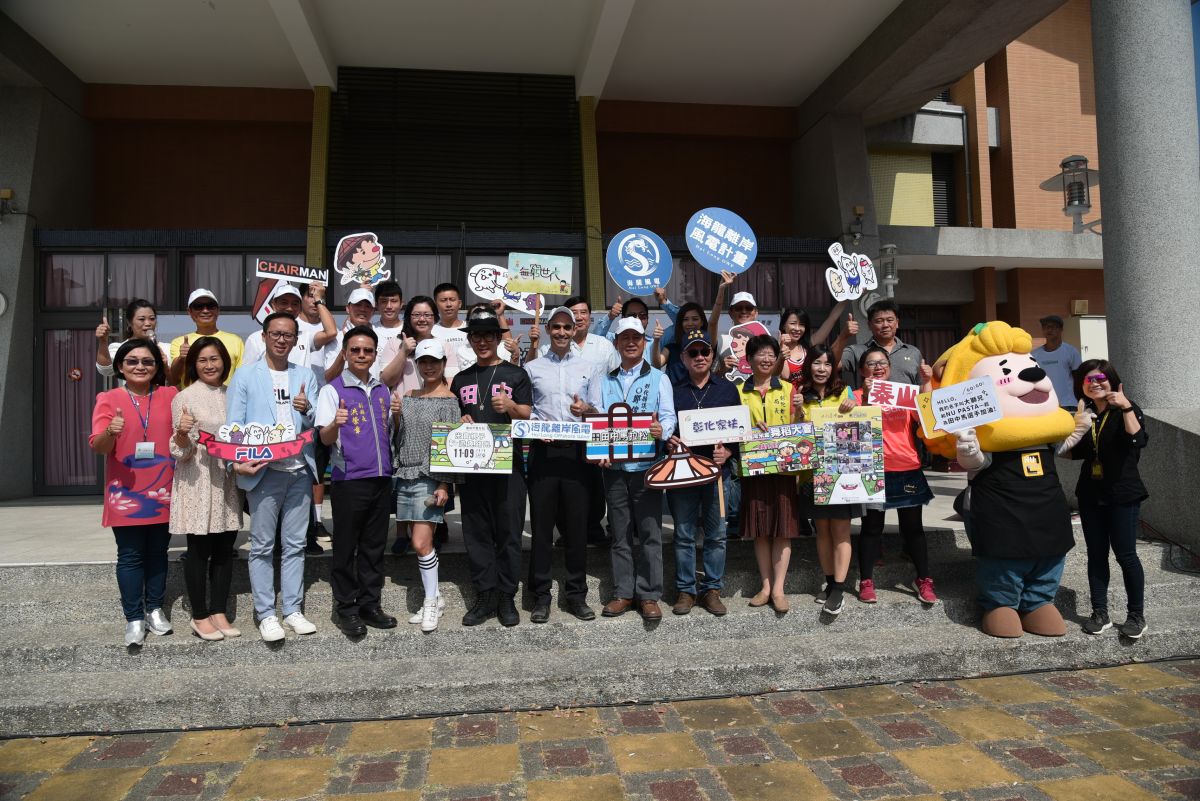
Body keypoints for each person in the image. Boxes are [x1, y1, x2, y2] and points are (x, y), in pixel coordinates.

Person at [227, 311, 320, 642]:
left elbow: (316, 425)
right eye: (276, 333)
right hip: (264, 473)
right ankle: (266, 613)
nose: (282, 339)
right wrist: (235, 464)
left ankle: (293, 609)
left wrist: (307, 410)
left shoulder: (306, 375)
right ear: (264, 336)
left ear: (296, 341)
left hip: (299, 472)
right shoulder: (245, 376)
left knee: (295, 544)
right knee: (263, 545)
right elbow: (233, 427)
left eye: (289, 335)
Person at [584, 317, 676, 620]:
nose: (631, 342)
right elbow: (596, 418)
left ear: (645, 341)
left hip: (646, 466)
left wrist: (663, 429)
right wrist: (599, 450)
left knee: (650, 531)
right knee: (620, 532)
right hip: (613, 469)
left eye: (637, 337)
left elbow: (668, 416)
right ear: (617, 342)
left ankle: (649, 594)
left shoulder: (659, 377)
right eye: (625, 337)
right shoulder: (602, 379)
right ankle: (623, 592)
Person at [88, 338, 177, 646]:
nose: (140, 366)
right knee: (129, 556)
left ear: (157, 366)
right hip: (125, 492)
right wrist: (110, 433)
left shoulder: (170, 394)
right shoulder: (108, 398)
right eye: (132, 361)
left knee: (157, 553)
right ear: (120, 367)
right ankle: (134, 618)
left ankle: (154, 609)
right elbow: (99, 447)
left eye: (147, 361)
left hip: (164, 490)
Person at [316, 326, 399, 637]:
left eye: (367, 351)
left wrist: (399, 416)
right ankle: (346, 608)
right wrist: (335, 425)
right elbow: (324, 438)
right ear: (346, 354)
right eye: (355, 350)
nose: (362, 355)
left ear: (375, 354)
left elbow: (388, 434)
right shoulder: (332, 390)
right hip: (349, 480)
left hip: (381, 478)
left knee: (374, 546)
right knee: (346, 546)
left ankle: (370, 604)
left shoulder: (383, 390)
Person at [451, 314, 533, 627]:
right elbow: (455, 416)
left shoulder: (515, 374)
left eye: (488, 335)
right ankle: (484, 596)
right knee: (476, 533)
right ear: (470, 340)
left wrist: (510, 408)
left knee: (509, 533)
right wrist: (461, 422)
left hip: (508, 467)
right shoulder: (461, 378)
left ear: (497, 338)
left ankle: (506, 596)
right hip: (472, 468)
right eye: (476, 336)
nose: (482, 341)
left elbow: (527, 415)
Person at [523, 307, 602, 623]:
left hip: (577, 454)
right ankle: (539, 597)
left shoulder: (589, 367)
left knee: (576, 529)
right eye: (554, 327)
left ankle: (576, 596)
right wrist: (535, 426)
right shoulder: (532, 368)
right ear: (547, 330)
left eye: (566, 327)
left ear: (574, 330)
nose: (560, 332)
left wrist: (587, 409)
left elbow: (600, 410)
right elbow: (525, 409)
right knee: (541, 529)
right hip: (543, 453)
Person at [1062, 360, 1149, 638]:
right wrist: (1074, 428)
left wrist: (1124, 406)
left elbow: (1138, 440)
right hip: (1090, 494)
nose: (1095, 383)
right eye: (1088, 380)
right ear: (1082, 386)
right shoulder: (1085, 413)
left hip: (1123, 494)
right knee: (1096, 555)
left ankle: (1136, 615)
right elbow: (1069, 453)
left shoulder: (1128, 407)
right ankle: (1100, 612)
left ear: (1111, 379)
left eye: (1100, 377)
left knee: (1126, 555)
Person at [169, 336, 242, 640]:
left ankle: (219, 611)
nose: (210, 365)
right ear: (193, 364)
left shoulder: (235, 395)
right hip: (197, 480)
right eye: (203, 360)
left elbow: (242, 437)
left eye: (215, 359)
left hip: (226, 480)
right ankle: (199, 615)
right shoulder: (183, 398)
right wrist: (183, 435)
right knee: (198, 549)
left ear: (225, 361)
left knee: (226, 548)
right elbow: (179, 450)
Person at [855, 346, 937, 605]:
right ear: (861, 370)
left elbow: (927, 416)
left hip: (907, 467)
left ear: (890, 368)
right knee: (871, 529)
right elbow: (853, 430)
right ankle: (866, 580)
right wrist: (867, 397)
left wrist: (926, 383)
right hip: (872, 470)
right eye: (871, 363)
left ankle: (923, 578)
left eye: (882, 363)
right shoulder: (855, 396)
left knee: (913, 529)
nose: (878, 367)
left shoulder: (903, 394)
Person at [667, 329, 738, 616]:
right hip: (683, 473)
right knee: (683, 534)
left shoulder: (726, 389)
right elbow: (667, 431)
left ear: (712, 355)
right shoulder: (674, 391)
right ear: (683, 357)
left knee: (717, 534)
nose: (699, 357)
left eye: (704, 352)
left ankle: (712, 589)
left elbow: (738, 432)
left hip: (717, 474)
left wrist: (729, 452)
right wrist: (669, 444)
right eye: (692, 352)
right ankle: (686, 590)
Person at [392, 338, 460, 632]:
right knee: (418, 543)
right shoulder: (408, 395)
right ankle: (435, 597)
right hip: (405, 474)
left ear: (444, 364)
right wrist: (395, 416)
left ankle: (431, 602)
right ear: (416, 364)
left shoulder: (450, 401)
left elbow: (450, 445)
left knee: (422, 543)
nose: (429, 366)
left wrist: (445, 484)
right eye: (423, 361)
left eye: (434, 361)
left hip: (430, 478)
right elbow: (399, 437)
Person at [737, 334, 800, 613]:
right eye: (759, 354)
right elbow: (732, 429)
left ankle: (778, 589)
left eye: (770, 354)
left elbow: (801, 429)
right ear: (748, 360)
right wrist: (749, 432)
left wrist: (798, 412)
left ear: (777, 359)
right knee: (760, 530)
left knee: (783, 529)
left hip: (784, 469)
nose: (765, 359)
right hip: (754, 467)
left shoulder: (788, 389)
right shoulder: (739, 390)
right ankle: (764, 586)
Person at [796, 344, 860, 616]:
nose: (821, 369)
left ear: (833, 367)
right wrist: (796, 411)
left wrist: (853, 407)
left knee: (841, 529)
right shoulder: (799, 394)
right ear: (808, 365)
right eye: (816, 363)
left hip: (843, 474)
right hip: (811, 475)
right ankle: (829, 580)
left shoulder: (844, 392)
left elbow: (860, 429)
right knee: (822, 529)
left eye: (826, 364)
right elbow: (792, 433)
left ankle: (839, 588)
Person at [242, 283, 337, 371]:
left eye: (294, 304)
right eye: (284, 303)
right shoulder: (255, 339)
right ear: (273, 305)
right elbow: (246, 373)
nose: (289, 308)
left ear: (300, 308)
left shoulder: (305, 336)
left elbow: (331, 332)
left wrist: (318, 300)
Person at [382, 295, 461, 393]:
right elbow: (386, 381)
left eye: (427, 315)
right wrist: (403, 352)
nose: (422, 319)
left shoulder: (444, 345)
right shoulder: (395, 343)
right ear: (408, 317)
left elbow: (451, 382)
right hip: (402, 406)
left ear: (435, 318)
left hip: (435, 405)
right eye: (416, 315)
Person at [840, 299, 923, 390]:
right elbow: (832, 364)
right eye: (879, 321)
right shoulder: (856, 351)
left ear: (897, 323)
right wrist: (843, 336)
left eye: (890, 320)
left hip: (907, 404)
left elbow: (921, 387)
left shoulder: (913, 352)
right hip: (869, 403)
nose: (885, 325)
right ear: (869, 325)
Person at [169, 289, 245, 386]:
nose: (205, 310)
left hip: (226, 399)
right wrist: (181, 358)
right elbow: (174, 380)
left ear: (218, 310)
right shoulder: (178, 342)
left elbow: (242, 378)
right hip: (192, 400)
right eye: (198, 307)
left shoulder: (236, 341)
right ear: (189, 312)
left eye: (210, 306)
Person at [95, 299, 171, 379]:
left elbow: (176, 380)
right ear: (129, 322)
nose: (148, 323)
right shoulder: (120, 348)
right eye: (141, 319)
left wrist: (165, 367)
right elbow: (105, 370)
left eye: (152, 319)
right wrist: (103, 341)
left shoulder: (167, 348)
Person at [778, 303, 848, 387]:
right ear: (783, 326)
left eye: (802, 325)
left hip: (810, 398)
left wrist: (848, 296)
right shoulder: (776, 349)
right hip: (789, 398)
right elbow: (785, 375)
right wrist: (783, 346)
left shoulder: (809, 345)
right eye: (793, 323)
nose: (797, 329)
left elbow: (832, 318)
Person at [323, 287, 379, 383]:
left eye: (367, 306)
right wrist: (345, 349)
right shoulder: (336, 338)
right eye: (358, 304)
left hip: (374, 395)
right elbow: (329, 378)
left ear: (373, 311)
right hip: (343, 396)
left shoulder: (381, 336)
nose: (362, 309)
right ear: (348, 309)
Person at [1032, 314, 1082, 411]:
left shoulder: (1071, 352)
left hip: (1068, 403)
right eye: (1046, 327)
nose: (1049, 330)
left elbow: (1079, 378)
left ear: (1061, 329)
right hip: (1046, 404)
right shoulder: (1035, 354)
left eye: (1052, 327)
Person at [655, 302, 708, 385]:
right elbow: (656, 364)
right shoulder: (671, 348)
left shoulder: (708, 347)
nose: (690, 323)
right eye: (685, 319)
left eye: (695, 319)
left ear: (702, 322)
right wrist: (656, 340)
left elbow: (713, 322)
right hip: (674, 396)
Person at [431, 282, 469, 355]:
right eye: (443, 300)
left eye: (452, 299)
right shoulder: (431, 331)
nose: (448, 304)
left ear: (460, 303)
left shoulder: (470, 328)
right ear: (436, 304)